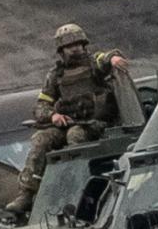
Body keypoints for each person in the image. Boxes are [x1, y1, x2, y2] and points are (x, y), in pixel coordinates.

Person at [8, 24, 129, 215]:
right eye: (69, 46)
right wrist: (53, 116)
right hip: (66, 123)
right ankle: (26, 193)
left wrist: (112, 58)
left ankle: (79, 190)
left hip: (95, 124)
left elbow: (103, 59)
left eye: (78, 44)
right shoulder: (56, 76)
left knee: (75, 136)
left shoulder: (93, 65)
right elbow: (40, 106)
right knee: (40, 140)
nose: (75, 49)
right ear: (61, 50)